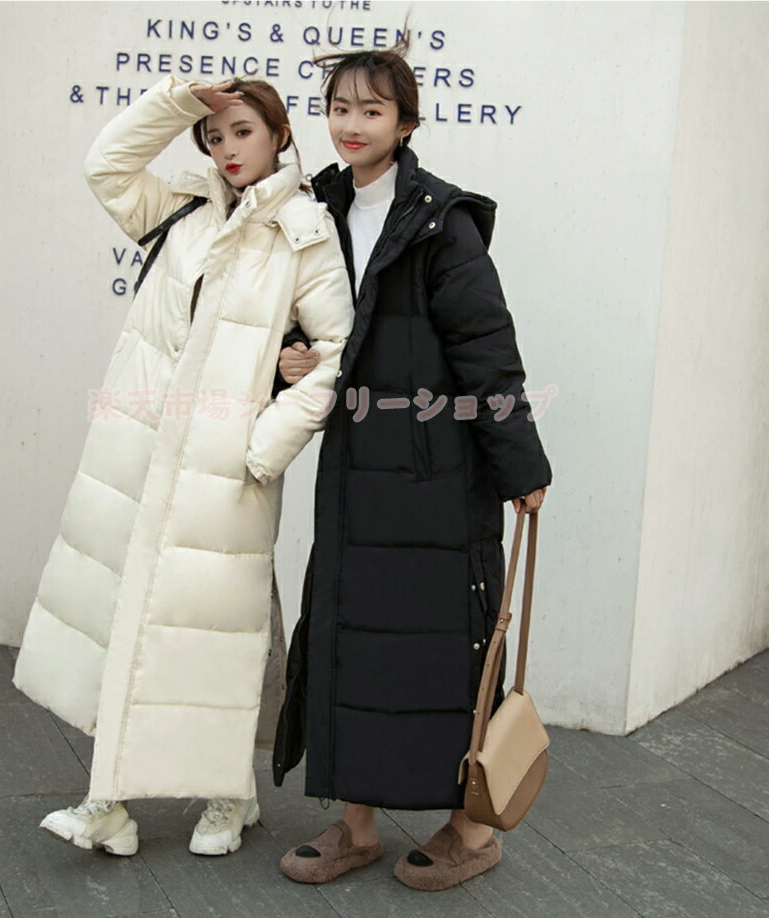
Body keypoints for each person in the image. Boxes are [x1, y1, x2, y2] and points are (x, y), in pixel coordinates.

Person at [12, 74, 353, 858]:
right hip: (142, 456)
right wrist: (178, 102)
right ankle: (107, 802)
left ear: (279, 135)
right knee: (129, 623)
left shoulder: (305, 232)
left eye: (243, 131)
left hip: (224, 469)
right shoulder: (182, 211)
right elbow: (105, 167)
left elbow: (335, 355)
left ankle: (230, 796)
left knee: (214, 635)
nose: (228, 148)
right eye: (215, 135)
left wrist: (261, 450)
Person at [271, 44, 552, 891]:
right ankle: (356, 825)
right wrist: (289, 356)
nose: (352, 125)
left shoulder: (441, 221)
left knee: (445, 647)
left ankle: (471, 829)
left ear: (405, 122)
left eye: (371, 110)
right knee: (353, 639)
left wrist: (520, 465)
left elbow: (487, 349)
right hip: (355, 470)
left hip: (438, 472)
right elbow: (293, 320)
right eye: (340, 109)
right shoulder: (313, 208)